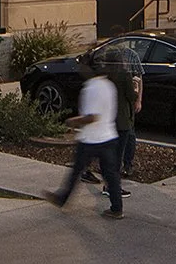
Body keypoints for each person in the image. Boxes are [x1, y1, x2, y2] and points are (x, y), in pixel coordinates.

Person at [47, 50, 125, 216]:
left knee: (76, 171)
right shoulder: (109, 85)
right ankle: (117, 208)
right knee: (111, 175)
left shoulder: (91, 88)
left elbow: (92, 117)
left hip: (91, 139)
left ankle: (62, 198)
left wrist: (71, 121)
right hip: (109, 136)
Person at [103, 45, 141, 177]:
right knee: (121, 149)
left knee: (110, 150)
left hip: (109, 117)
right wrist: (135, 87)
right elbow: (131, 96)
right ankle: (115, 179)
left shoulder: (105, 75)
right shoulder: (124, 74)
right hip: (123, 118)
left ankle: (108, 176)